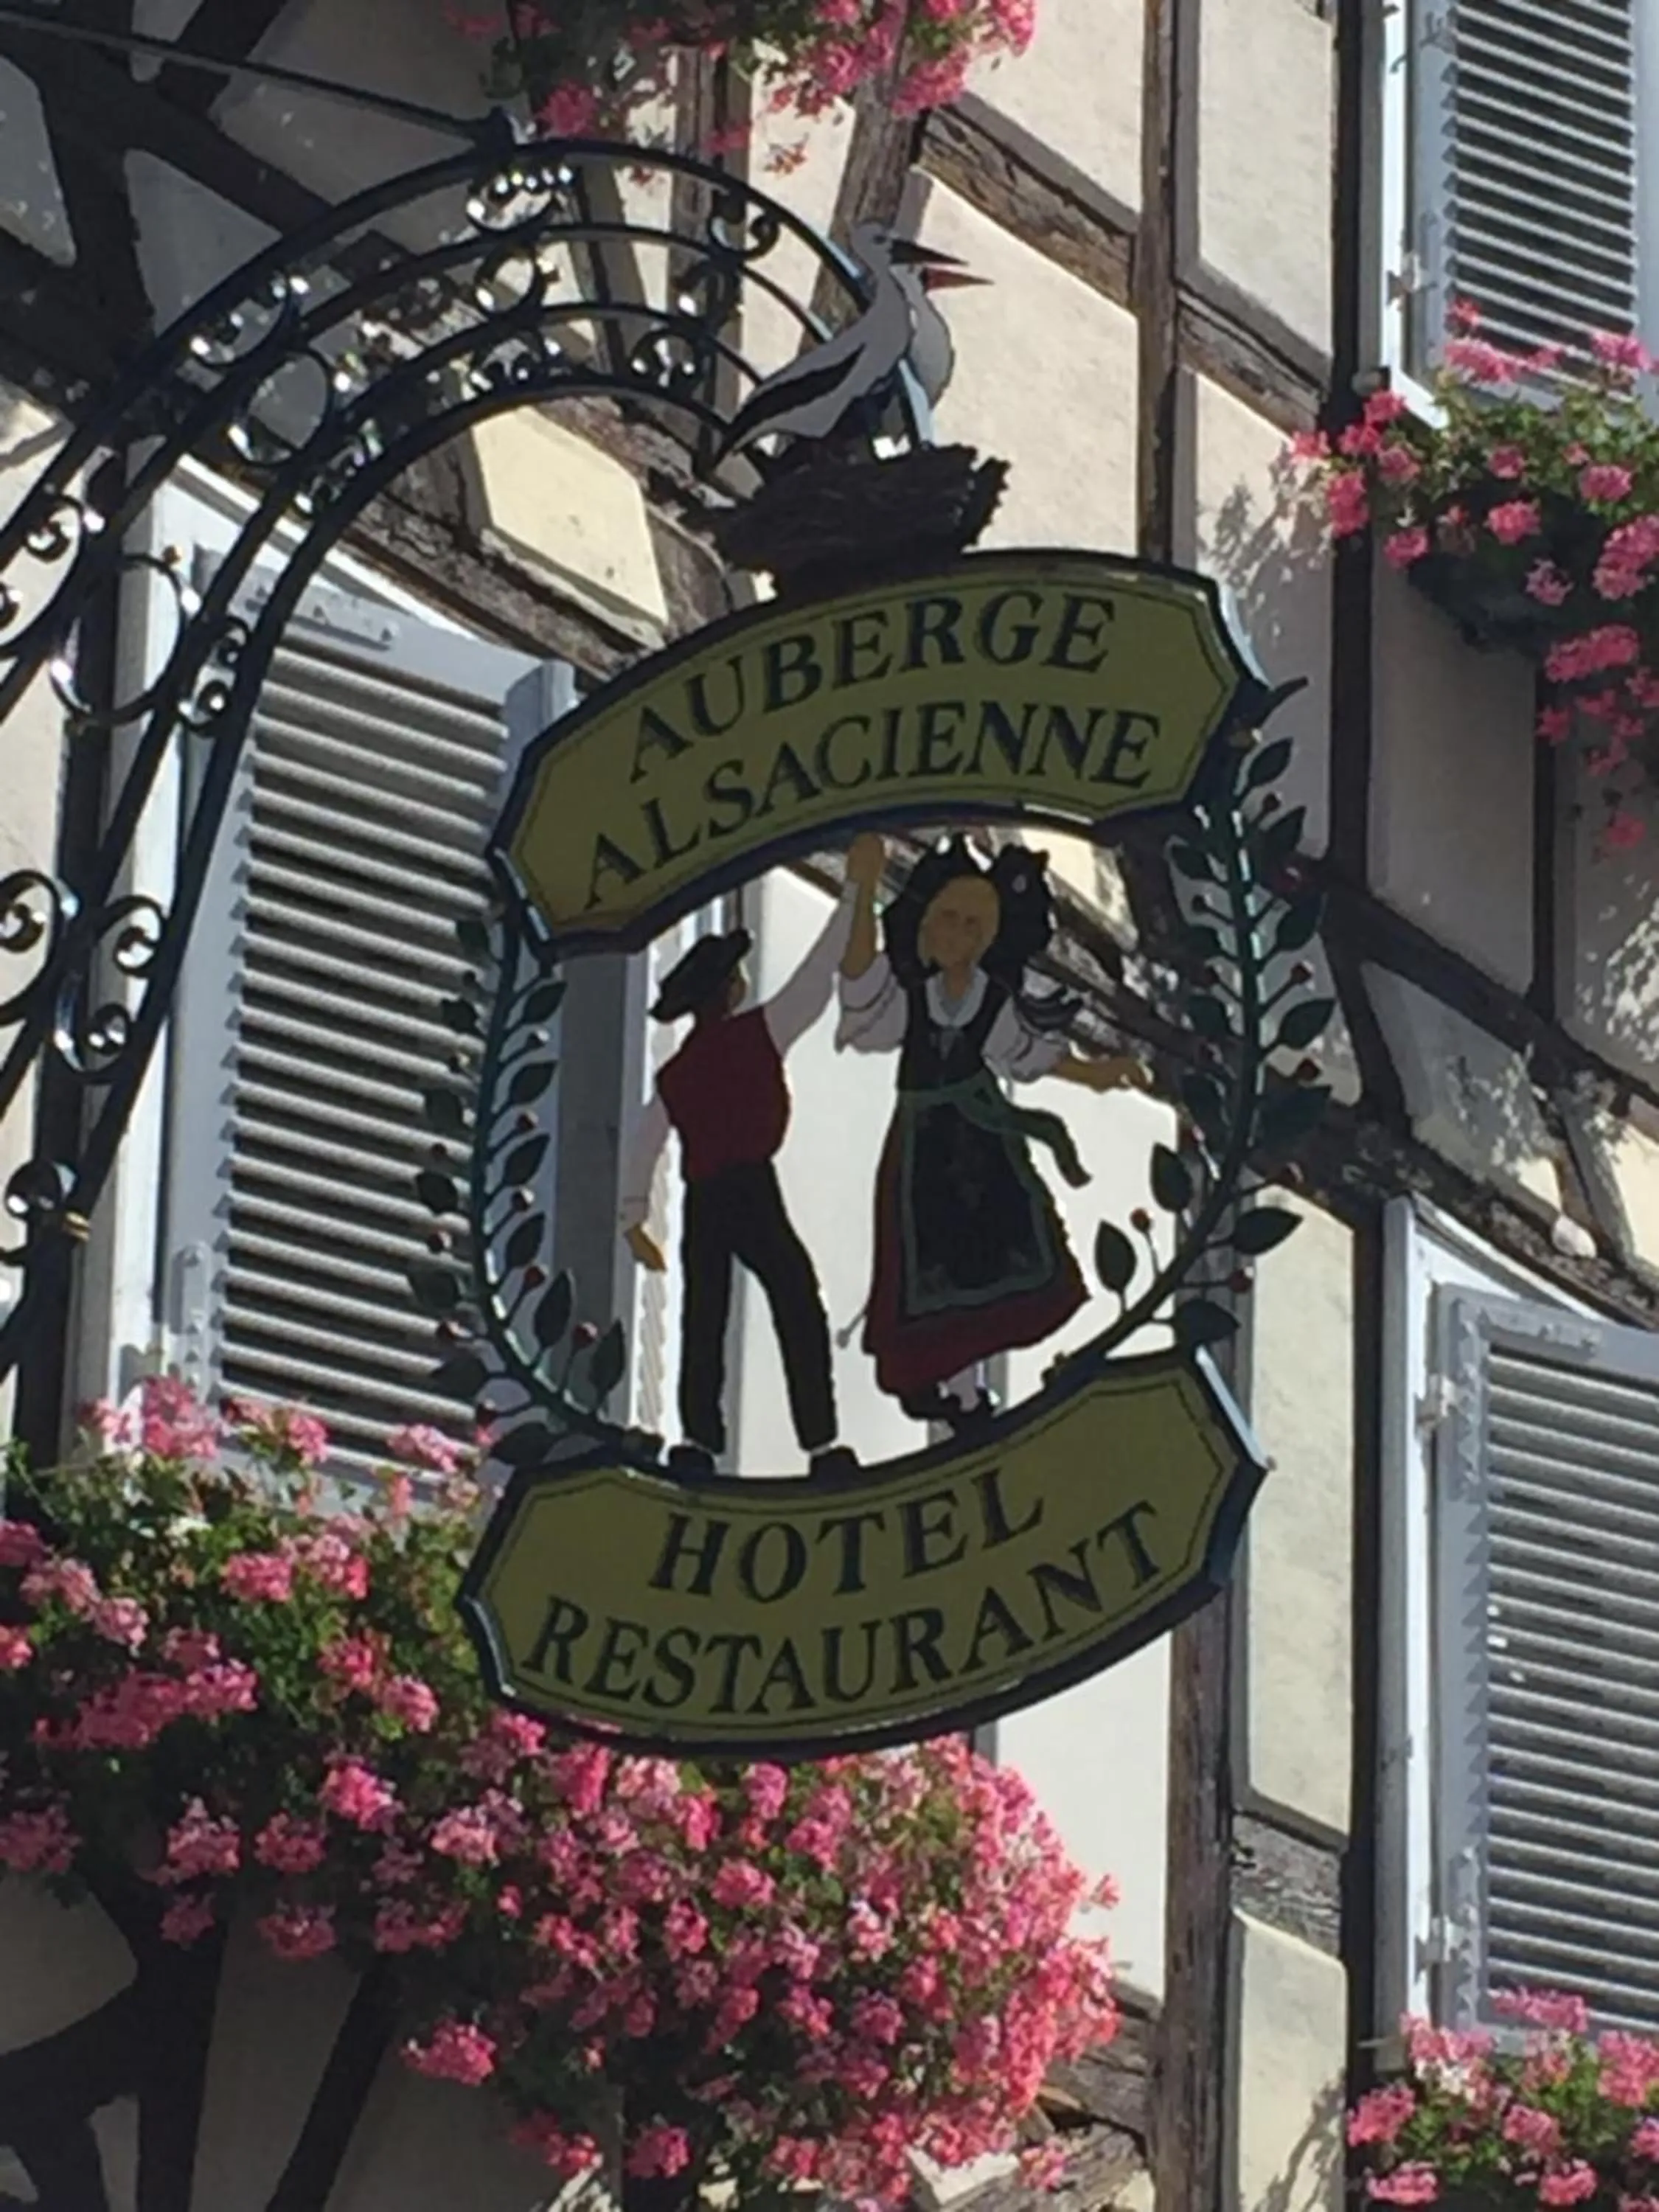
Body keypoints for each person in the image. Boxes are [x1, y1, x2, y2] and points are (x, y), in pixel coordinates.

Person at [838, 832, 1150, 1427]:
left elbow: (1032, 1054)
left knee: (991, 1265)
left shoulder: (990, 1002)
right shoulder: (912, 996)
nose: (959, 934)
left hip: (982, 1143)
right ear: (926, 925)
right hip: (923, 1145)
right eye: (949, 919)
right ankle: (941, 1385)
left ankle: (967, 1392)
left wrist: (1099, 1070)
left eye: (973, 925)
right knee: (930, 1268)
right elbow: (859, 990)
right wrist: (860, 889)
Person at [618, 847, 879, 1478]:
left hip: (705, 1194)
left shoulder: (679, 1072)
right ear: (729, 990)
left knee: (704, 1315)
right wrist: (855, 892)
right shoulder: (757, 1034)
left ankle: (698, 1445)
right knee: (796, 1299)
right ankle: (820, 1443)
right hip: (749, 1189)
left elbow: (647, 1143)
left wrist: (635, 1219)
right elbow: (817, 979)